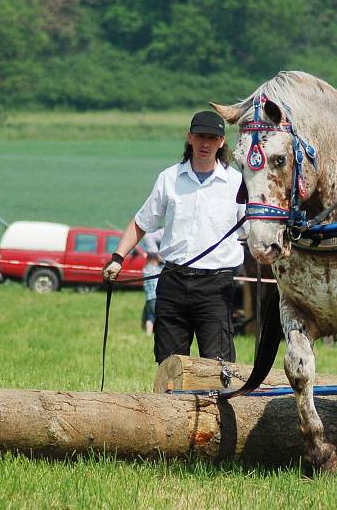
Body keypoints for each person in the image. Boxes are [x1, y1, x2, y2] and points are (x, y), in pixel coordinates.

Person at [103, 110, 247, 364]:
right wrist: (117, 258)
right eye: (200, 136)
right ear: (189, 137)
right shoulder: (168, 178)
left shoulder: (238, 183)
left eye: (212, 138)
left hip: (217, 286)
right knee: (168, 366)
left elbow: (254, 231)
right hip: (172, 282)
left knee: (218, 368)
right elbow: (141, 222)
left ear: (222, 141)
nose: (205, 143)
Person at [141, 252, 162, 334]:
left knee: (150, 317)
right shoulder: (156, 270)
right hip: (156, 297)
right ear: (154, 260)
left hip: (149, 298)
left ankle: (148, 334)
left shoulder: (145, 270)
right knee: (159, 316)